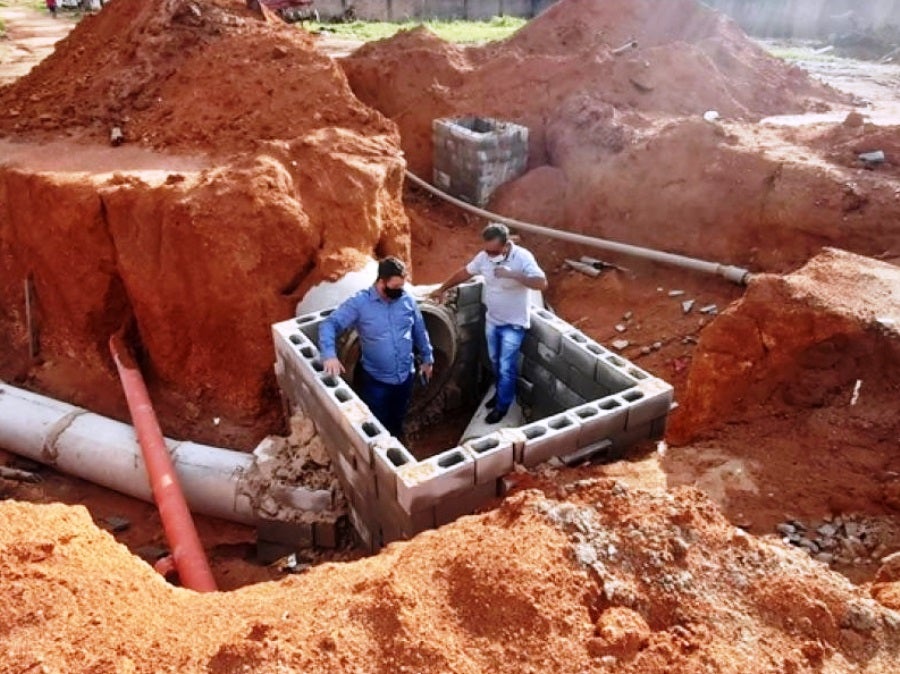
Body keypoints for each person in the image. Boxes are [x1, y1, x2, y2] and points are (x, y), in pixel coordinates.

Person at [431, 223, 547, 424]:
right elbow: (465, 273)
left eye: (494, 252)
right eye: (487, 250)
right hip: (493, 321)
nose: (489, 255)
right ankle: (501, 393)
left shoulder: (522, 257)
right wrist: (442, 289)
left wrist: (513, 274)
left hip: (514, 324)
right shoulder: (484, 257)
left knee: (505, 366)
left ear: (505, 246)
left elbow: (541, 282)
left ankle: (502, 406)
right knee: (495, 361)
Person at [319, 257, 434, 440]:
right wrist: (329, 355)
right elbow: (330, 324)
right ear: (381, 281)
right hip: (376, 381)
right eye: (394, 288)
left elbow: (419, 329)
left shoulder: (407, 300)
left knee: (398, 416)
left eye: (401, 287)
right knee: (376, 425)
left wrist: (428, 358)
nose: (400, 292)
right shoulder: (360, 303)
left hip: (405, 377)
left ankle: (397, 438)